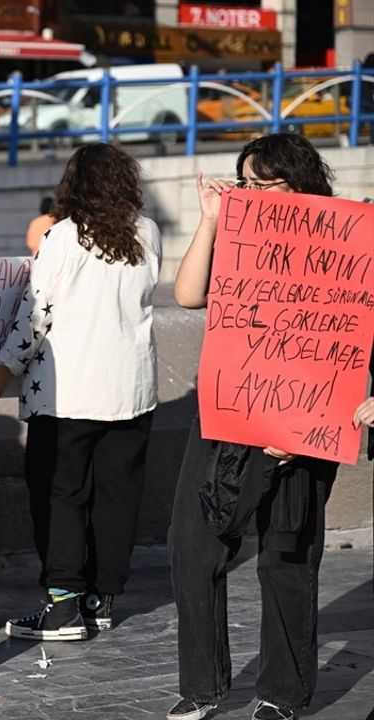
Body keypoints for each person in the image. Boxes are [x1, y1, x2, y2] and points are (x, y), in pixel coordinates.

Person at [165, 134, 343, 720]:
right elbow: (189, 295)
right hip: (227, 415)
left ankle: (283, 694)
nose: (257, 195)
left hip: (303, 420)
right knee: (192, 545)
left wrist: (311, 423)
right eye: (248, 183)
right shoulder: (237, 237)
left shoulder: (340, 240)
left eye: (270, 183)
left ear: (302, 185)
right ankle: (202, 686)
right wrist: (211, 221)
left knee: (286, 556)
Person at [0, 143, 161, 642]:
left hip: (69, 392)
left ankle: (62, 606)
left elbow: (36, 313)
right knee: (117, 498)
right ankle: (102, 600)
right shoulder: (147, 233)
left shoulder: (64, 236)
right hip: (132, 390)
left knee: (60, 497)